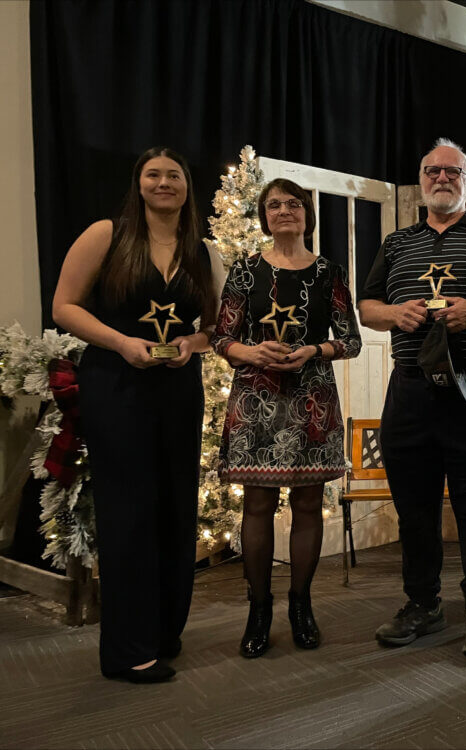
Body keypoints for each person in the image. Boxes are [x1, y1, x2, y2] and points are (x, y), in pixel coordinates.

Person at [52, 147, 223, 683]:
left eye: (174, 174)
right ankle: (128, 649)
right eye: (154, 174)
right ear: (139, 182)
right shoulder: (106, 234)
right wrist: (121, 342)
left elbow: (216, 326)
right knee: (128, 513)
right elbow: (64, 307)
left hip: (178, 390)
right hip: (116, 385)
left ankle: (164, 633)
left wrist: (195, 342)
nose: (164, 182)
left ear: (187, 186)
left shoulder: (204, 251)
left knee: (175, 510)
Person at [358, 138, 466, 659]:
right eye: (433, 171)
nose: (442, 178)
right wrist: (394, 315)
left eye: (453, 171)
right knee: (414, 504)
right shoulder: (397, 243)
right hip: (410, 387)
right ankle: (423, 604)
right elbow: (367, 307)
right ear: (421, 181)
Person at [212, 178, 361, 658]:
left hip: (311, 402)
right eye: (273, 205)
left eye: (293, 204)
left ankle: (301, 605)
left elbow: (351, 340)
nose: (283, 212)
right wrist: (252, 351)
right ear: (264, 215)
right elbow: (220, 339)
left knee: (307, 508)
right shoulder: (244, 271)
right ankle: (259, 609)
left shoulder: (328, 272)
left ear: (307, 214)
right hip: (255, 400)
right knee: (255, 508)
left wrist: (314, 350)